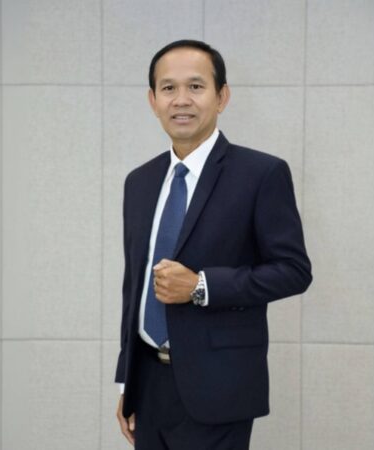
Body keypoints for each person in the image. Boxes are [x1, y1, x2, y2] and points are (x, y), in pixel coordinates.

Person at [115, 39, 312, 450]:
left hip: (219, 388)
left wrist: (201, 286)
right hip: (147, 386)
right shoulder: (139, 181)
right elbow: (133, 287)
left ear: (222, 96)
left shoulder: (261, 174)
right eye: (168, 88)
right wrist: (125, 382)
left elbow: (294, 271)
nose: (181, 100)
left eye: (196, 86)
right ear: (152, 101)